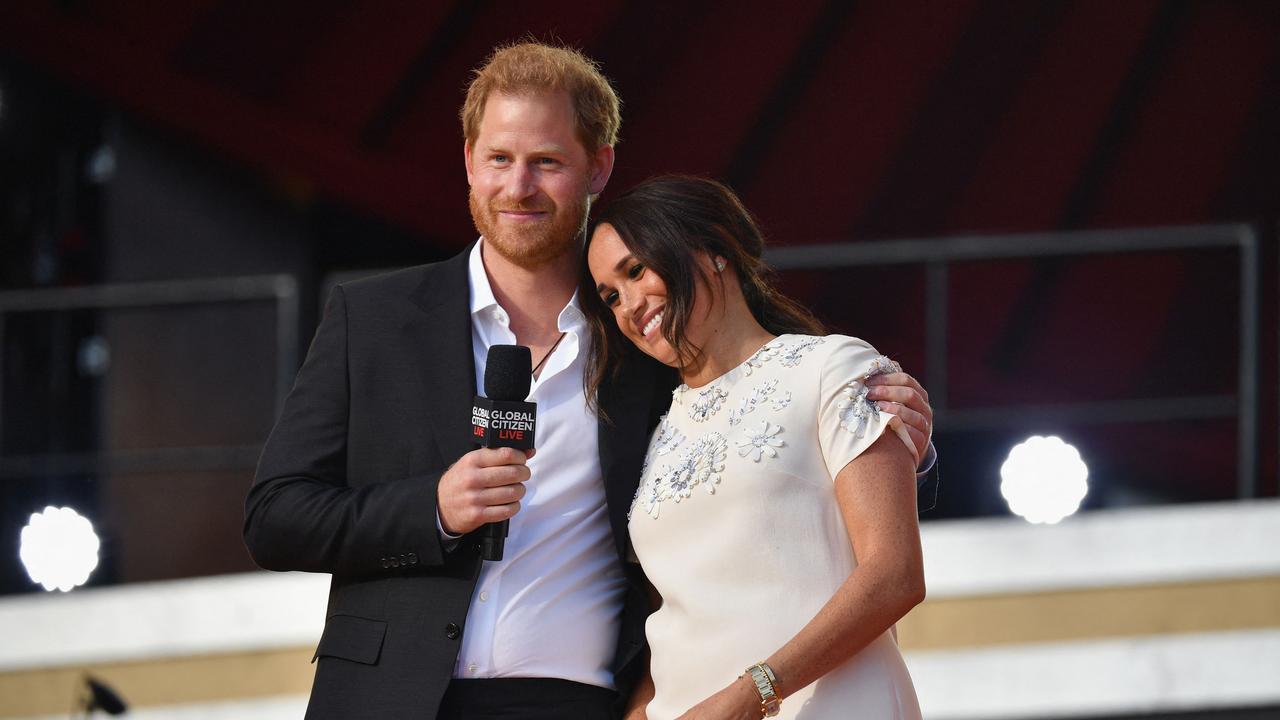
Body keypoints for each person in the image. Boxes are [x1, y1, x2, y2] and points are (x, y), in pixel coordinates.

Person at [244, 42, 935, 720]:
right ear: (468, 161)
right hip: (387, 699)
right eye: (499, 159)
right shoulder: (372, 318)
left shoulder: (651, 336)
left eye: (546, 162)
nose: (518, 187)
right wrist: (432, 508)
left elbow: (762, 442)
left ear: (598, 167)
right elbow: (275, 517)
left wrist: (901, 437)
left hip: (579, 703)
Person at [583, 175, 925, 719]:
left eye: (635, 270)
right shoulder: (651, 437)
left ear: (715, 250)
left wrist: (754, 693)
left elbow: (894, 576)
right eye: (610, 296)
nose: (625, 306)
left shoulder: (831, 368)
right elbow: (671, 620)